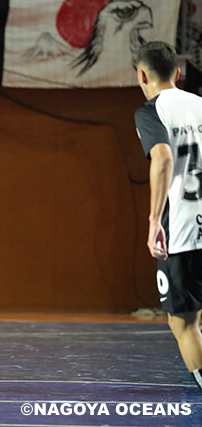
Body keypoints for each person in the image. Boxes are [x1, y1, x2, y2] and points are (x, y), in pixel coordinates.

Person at [134, 41, 202, 390]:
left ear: (142, 75)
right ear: (177, 72)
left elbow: (162, 159)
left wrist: (153, 222)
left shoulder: (151, 111)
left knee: (183, 321)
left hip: (183, 229)